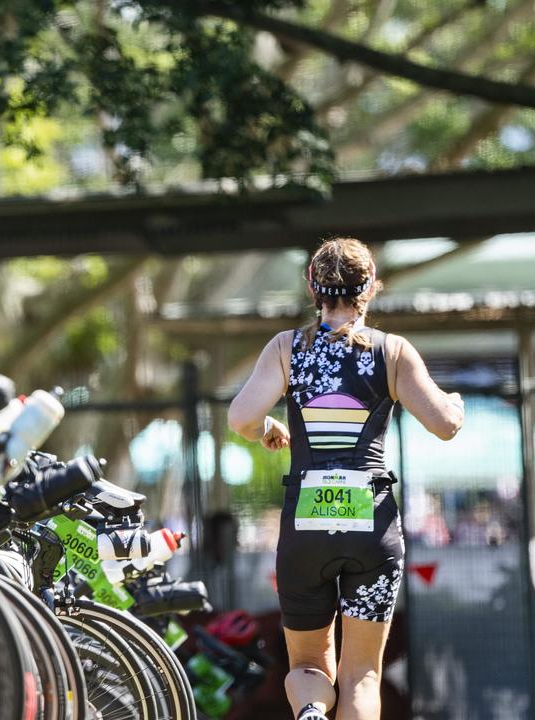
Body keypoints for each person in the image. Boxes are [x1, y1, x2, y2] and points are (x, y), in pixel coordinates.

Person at [228, 237, 464, 720]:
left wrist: (267, 428)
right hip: (372, 531)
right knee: (363, 674)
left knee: (309, 663)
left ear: (311, 287)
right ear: (371, 289)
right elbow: (443, 425)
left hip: (304, 530)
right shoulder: (392, 352)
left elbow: (240, 419)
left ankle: (312, 711)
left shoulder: (286, 348)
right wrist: (455, 407)